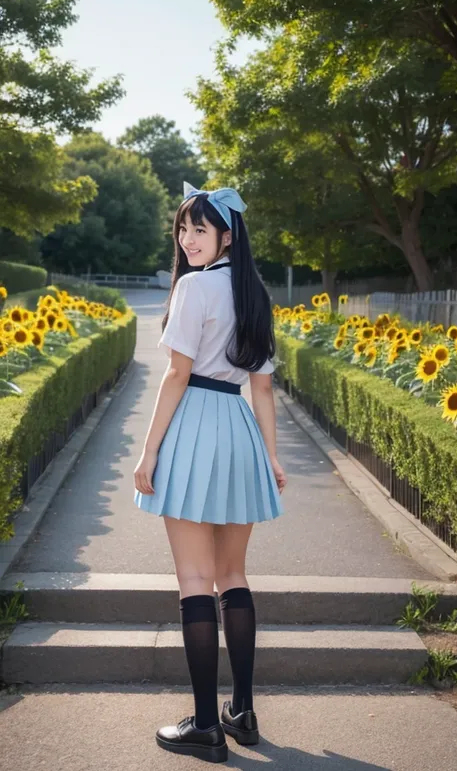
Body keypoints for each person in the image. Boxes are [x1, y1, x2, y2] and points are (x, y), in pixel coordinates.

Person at [133, 182, 287, 764]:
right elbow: (262, 386)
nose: (188, 239)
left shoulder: (194, 287)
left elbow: (176, 375)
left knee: (196, 581)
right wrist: (269, 455)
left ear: (226, 235)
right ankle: (242, 712)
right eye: (183, 228)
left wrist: (148, 454)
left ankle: (204, 725)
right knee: (234, 576)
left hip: (195, 424)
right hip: (238, 427)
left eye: (200, 229)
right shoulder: (253, 292)